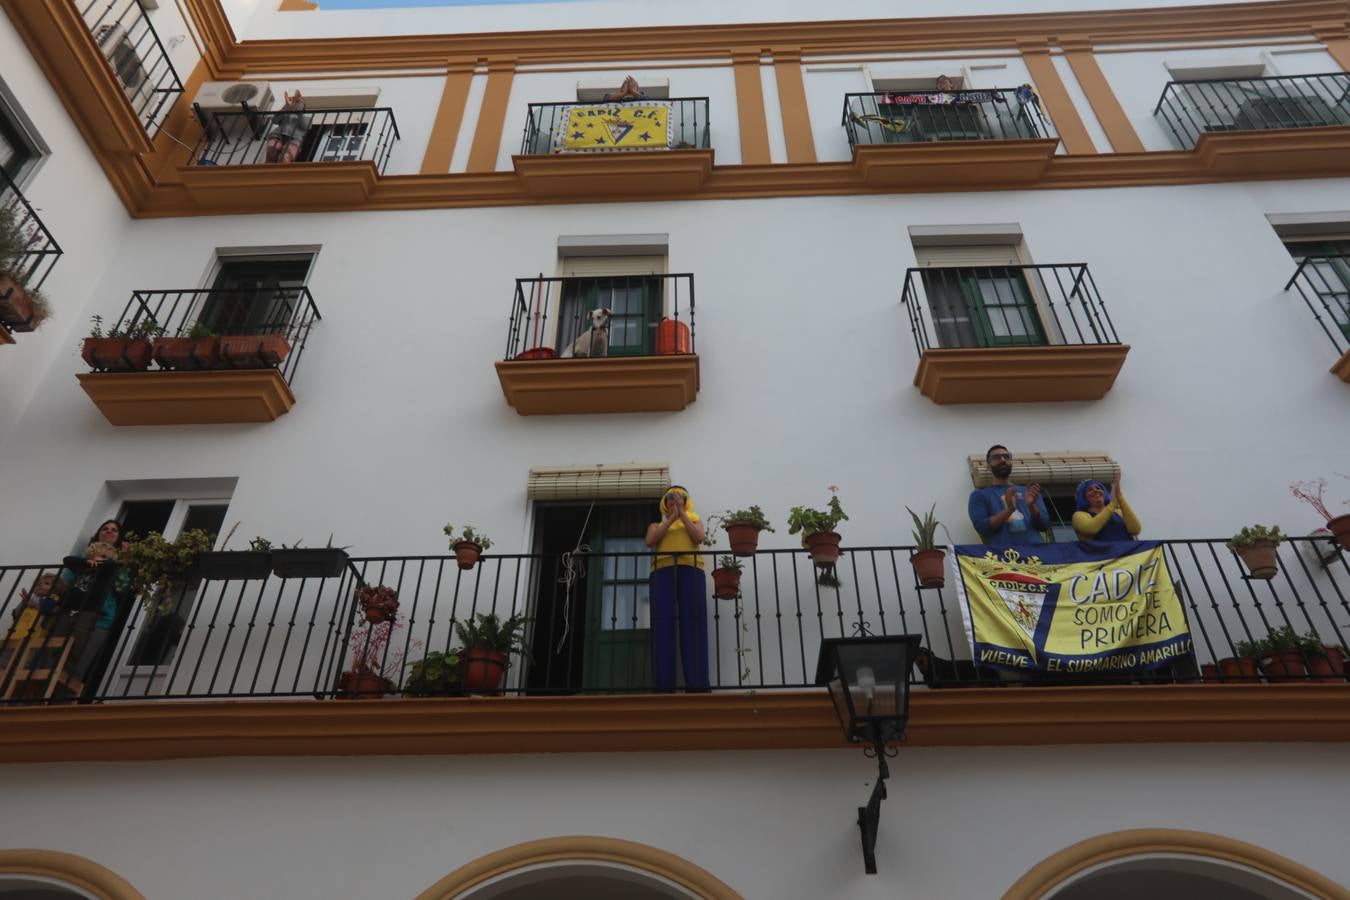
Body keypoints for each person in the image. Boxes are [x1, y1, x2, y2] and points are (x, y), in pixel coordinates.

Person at [645, 486, 709, 691]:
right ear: (665, 503)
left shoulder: (695, 519)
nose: (675, 502)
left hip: (691, 570)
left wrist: (682, 515)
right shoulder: (656, 524)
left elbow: (698, 537)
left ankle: (698, 685)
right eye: (671, 499)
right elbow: (651, 541)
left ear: (686, 501)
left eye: (680, 499)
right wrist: (672, 519)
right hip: (662, 572)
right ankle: (663, 685)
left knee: (694, 624)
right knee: (662, 625)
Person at [968, 445, 1050, 546]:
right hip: (1003, 557)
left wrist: (1031, 506)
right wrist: (1009, 510)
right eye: (996, 457)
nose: (1003, 460)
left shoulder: (1029, 492)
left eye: (1006, 457)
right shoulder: (979, 495)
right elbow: (982, 528)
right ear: (989, 466)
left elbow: (1044, 525)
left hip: (1036, 555)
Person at [1072, 475, 1141, 542]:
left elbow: (1135, 530)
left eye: (1098, 488)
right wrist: (1113, 503)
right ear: (1084, 497)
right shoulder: (1079, 515)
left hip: (1128, 553)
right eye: (1090, 489)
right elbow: (1091, 528)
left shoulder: (1118, 513)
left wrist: (1119, 497)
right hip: (1100, 553)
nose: (1096, 490)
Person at [264, 91, 311, 164]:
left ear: (303, 106)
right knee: (272, 151)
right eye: (295, 102)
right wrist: (285, 108)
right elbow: (274, 120)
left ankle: (281, 173)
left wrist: (299, 112)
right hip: (277, 135)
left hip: (294, 139)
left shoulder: (307, 118)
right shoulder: (286, 113)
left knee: (286, 157)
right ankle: (268, 171)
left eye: (299, 102)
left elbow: (305, 126)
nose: (296, 104)